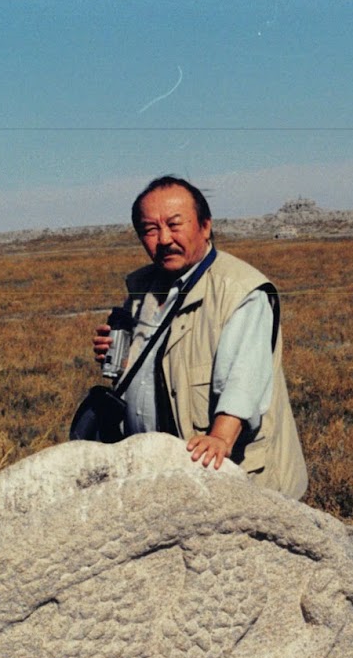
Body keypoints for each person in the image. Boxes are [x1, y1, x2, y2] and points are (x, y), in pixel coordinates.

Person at [92, 176, 308, 499]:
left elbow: (244, 378)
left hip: (230, 479)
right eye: (150, 230)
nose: (164, 239)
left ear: (205, 226)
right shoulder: (143, 289)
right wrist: (121, 360)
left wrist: (220, 437)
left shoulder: (239, 291)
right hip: (169, 477)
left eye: (175, 225)